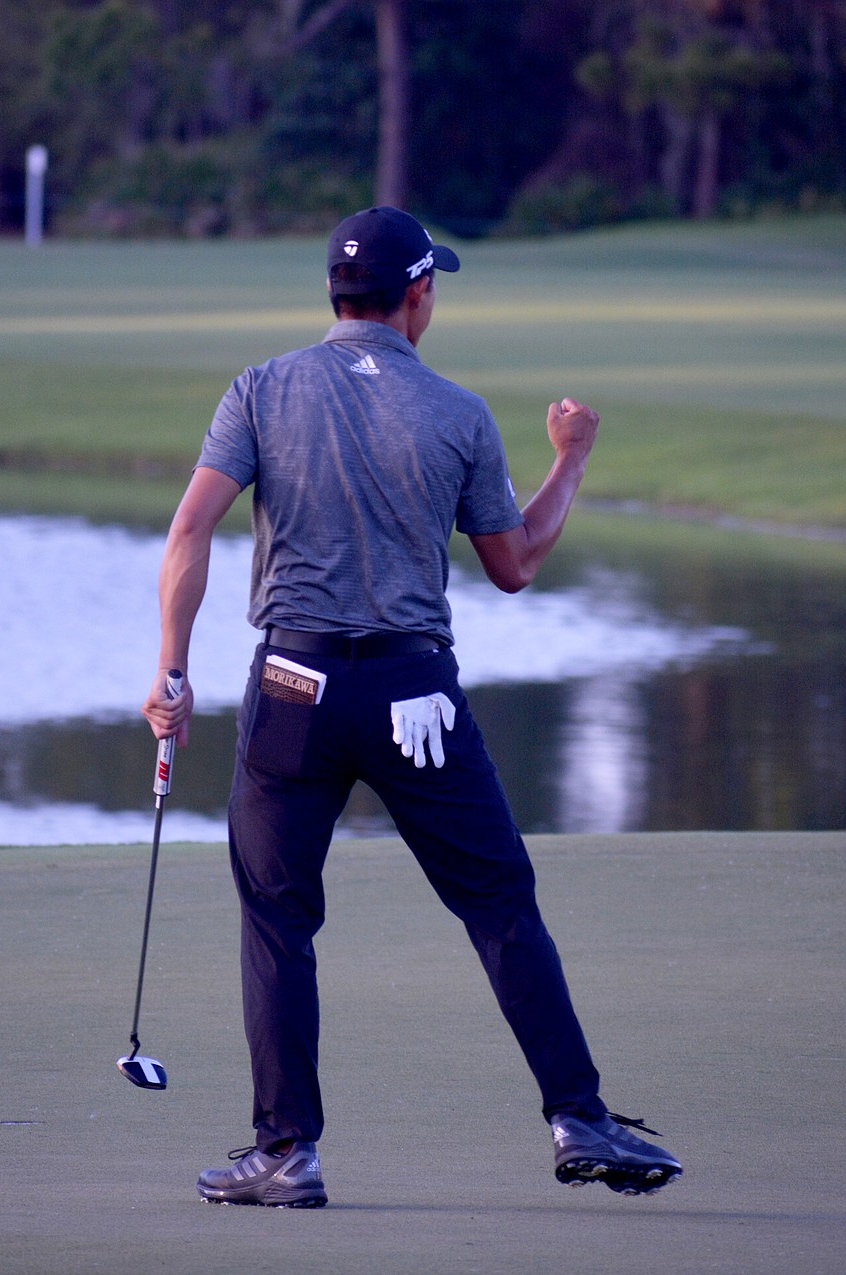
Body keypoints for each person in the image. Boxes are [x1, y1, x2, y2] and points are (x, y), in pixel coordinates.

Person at [142, 205, 682, 1208]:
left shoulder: (259, 389)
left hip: (293, 688)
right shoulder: (458, 413)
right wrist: (569, 457)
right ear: (418, 296)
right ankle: (576, 1115)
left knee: (278, 919)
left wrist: (171, 675)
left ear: (336, 297)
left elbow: (187, 538)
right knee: (498, 904)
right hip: (413, 696)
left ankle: (285, 1153)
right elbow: (513, 565)